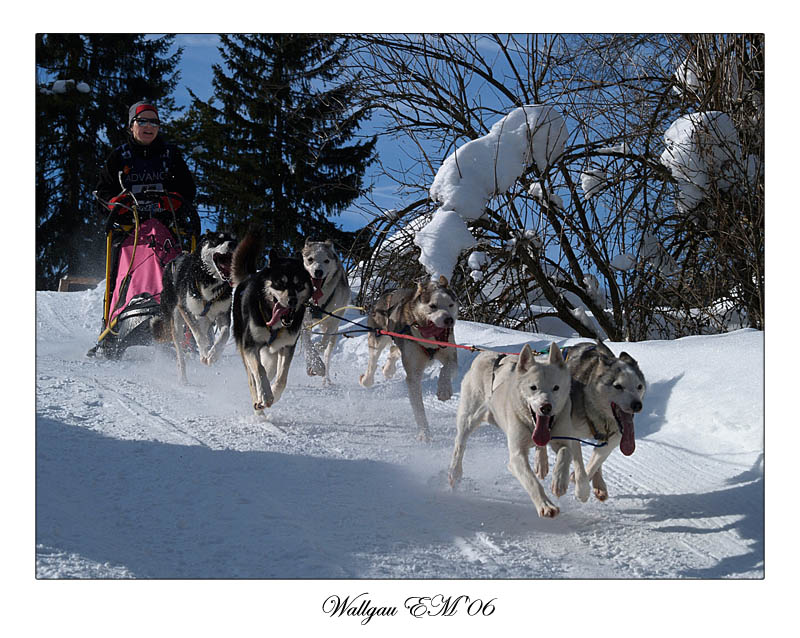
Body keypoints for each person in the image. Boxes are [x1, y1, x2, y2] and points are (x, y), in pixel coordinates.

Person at [96, 100, 199, 237]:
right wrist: (113, 203)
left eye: (154, 122)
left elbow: (188, 189)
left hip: (168, 227)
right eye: (142, 121)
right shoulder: (119, 157)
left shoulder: (170, 155)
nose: (149, 126)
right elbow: (103, 191)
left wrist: (176, 200)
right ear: (131, 126)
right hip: (127, 229)